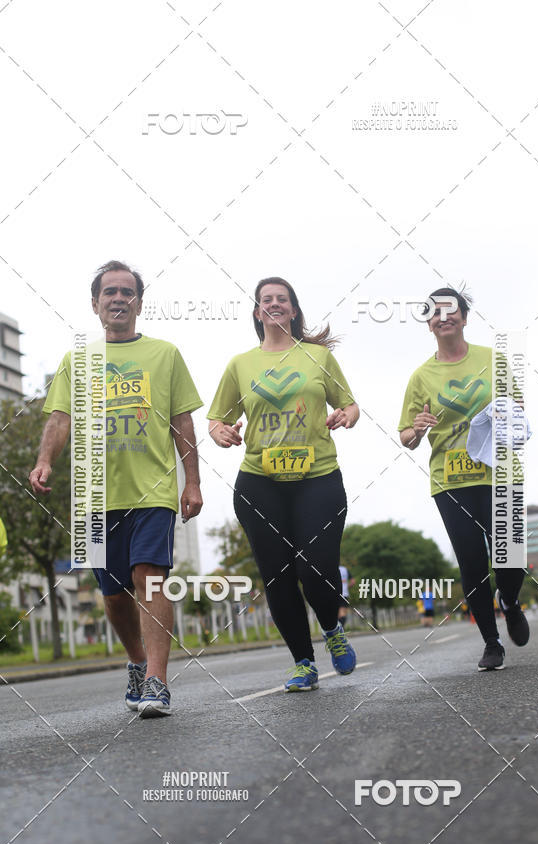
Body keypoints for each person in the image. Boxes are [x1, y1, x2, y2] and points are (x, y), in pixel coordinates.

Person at [29, 260, 203, 717]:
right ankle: (137, 661)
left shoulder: (165, 354)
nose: (119, 299)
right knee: (112, 593)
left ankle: (158, 682)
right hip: (93, 493)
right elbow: (60, 417)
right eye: (110, 292)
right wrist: (45, 459)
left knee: (149, 577)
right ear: (95, 304)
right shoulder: (79, 360)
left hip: (153, 490)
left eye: (128, 292)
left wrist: (193, 482)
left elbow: (182, 421)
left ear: (139, 303)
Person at [208, 276, 359, 691]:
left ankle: (331, 628)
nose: (274, 304)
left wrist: (346, 415)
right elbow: (216, 418)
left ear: (293, 310)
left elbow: (349, 403)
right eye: (266, 300)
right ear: (258, 312)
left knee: (317, 569)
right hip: (260, 483)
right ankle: (303, 663)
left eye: (282, 299)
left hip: (318, 478)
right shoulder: (241, 364)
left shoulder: (317, 357)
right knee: (276, 575)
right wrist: (221, 433)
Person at [399, 287, 530, 671]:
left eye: (451, 309)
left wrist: (503, 415)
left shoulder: (493, 360)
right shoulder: (421, 377)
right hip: (451, 479)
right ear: (429, 323)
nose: (444, 316)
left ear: (464, 317)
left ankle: (509, 599)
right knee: (472, 562)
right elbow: (406, 436)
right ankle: (491, 642)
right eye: (435, 312)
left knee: (510, 556)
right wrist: (417, 429)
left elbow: (518, 408)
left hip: (500, 472)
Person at [338, 563, 355, 628]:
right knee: (343, 612)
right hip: (345, 593)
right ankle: (342, 629)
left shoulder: (331, 568)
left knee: (338, 613)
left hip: (335, 593)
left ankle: (338, 630)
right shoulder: (345, 569)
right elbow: (353, 581)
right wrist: (346, 587)